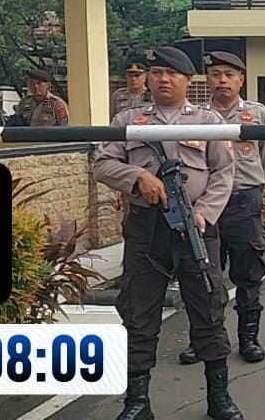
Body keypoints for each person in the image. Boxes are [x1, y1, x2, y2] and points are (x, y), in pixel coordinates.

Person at [92, 46, 244, 420]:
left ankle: (219, 397)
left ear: (188, 81)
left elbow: (224, 173)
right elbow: (103, 164)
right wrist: (136, 177)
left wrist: (205, 214)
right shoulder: (130, 120)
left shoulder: (207, 121)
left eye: (172, 74)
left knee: (208, 310)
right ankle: (137, 401)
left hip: (196, 228)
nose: (163, 79)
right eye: (157, 72)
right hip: (147, 229)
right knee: (138, 313)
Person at [178, 51, 265, 367]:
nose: (222, 80)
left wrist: (252, 187)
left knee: (249, 272)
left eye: (229, 75)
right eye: (216, 74)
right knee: (205, 275)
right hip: (206, 206)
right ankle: (204, 340)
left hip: (243, 202)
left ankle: (249, 338)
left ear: (241, 80)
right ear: (207, 79)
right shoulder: (193, 116)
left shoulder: (258, 114)